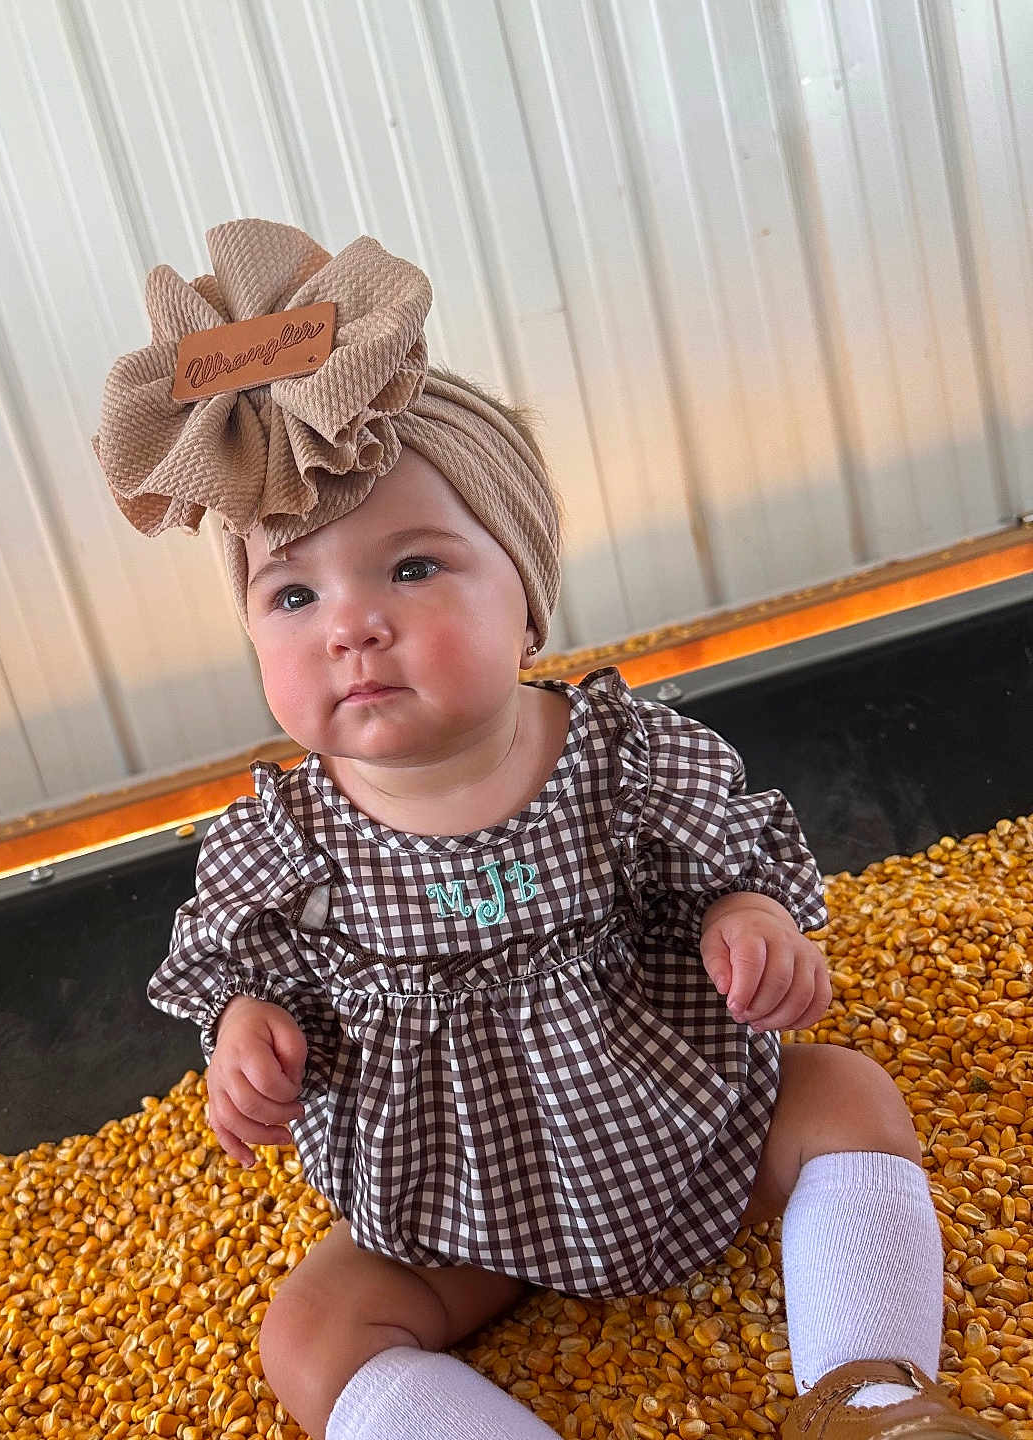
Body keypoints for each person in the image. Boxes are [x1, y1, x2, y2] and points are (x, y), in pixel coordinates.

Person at [93, 219, 1001, 1440]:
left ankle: (875, 1398)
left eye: (413, 570)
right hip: (459, 1216)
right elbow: (243, 974)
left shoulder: (619, 755)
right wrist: (249, 1036)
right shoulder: (288, 841)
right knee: (309, 1332)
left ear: (526, 598)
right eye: (295, 593)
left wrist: (749, 920)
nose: (350, 626)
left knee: (846, 1097)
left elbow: (727, 860)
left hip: (689, 1133)